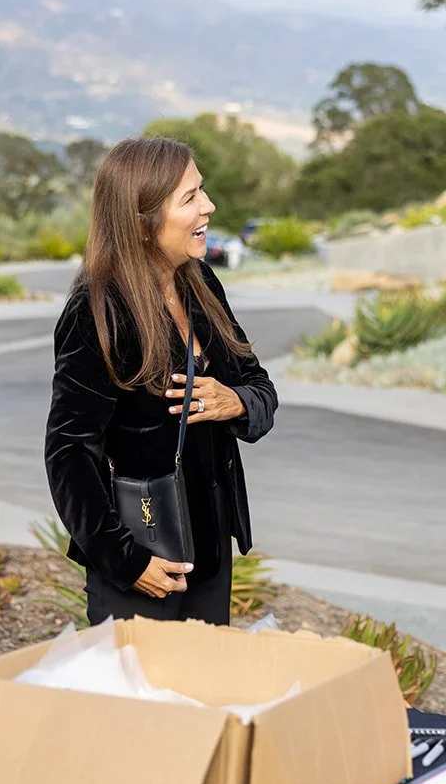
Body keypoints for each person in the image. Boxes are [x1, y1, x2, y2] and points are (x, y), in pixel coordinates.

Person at [45, 137, 277, 625]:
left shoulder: (201, 283)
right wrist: (127, 562)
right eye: (190, 198)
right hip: (144, 555)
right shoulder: (97, 311)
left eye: (203, 192)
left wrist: (234, 401)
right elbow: (68, 453)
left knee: (203, 692)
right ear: (141, 219)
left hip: (209, 550)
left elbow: (259, 386)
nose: (208, 207)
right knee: (139, 698)